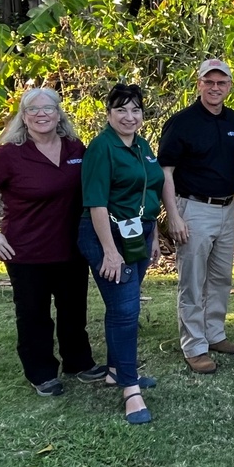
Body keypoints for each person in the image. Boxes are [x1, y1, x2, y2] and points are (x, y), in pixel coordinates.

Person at [0, 88, 105, 397]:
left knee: (73, 310)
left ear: (58, 114)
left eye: (48, 108)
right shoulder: (9, 154)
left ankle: (78, 362)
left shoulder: (75, 148)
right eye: (33, 109)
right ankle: (41, 373)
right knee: (34, 314)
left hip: (71, 249)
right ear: (24, 117)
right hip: (27, 251)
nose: (41, 114)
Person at [78, 83, 167, 425]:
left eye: (135, 110)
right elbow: (96, 203)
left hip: (138, 234)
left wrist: (154, 235)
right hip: (107, 235)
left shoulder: (142, 145)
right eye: (121, 110)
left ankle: (117, 371)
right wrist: (110, 252)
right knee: (126, 310)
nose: (129, 117)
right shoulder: (102, 148)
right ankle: (131, 390)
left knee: (123, 306)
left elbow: (149, 191)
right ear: (109, 114)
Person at [159, 59, 234, 375]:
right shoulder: (181, 122)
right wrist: (173, 216)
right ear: (199, 84)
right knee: (193, 282)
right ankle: (194, 346)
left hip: (226, 207)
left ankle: (214, 334)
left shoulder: (232, 119)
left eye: (221, 83)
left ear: (229, 87)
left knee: (221, 276)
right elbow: (164, 171)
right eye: (209, 82)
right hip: (193, 208)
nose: (215, 88)